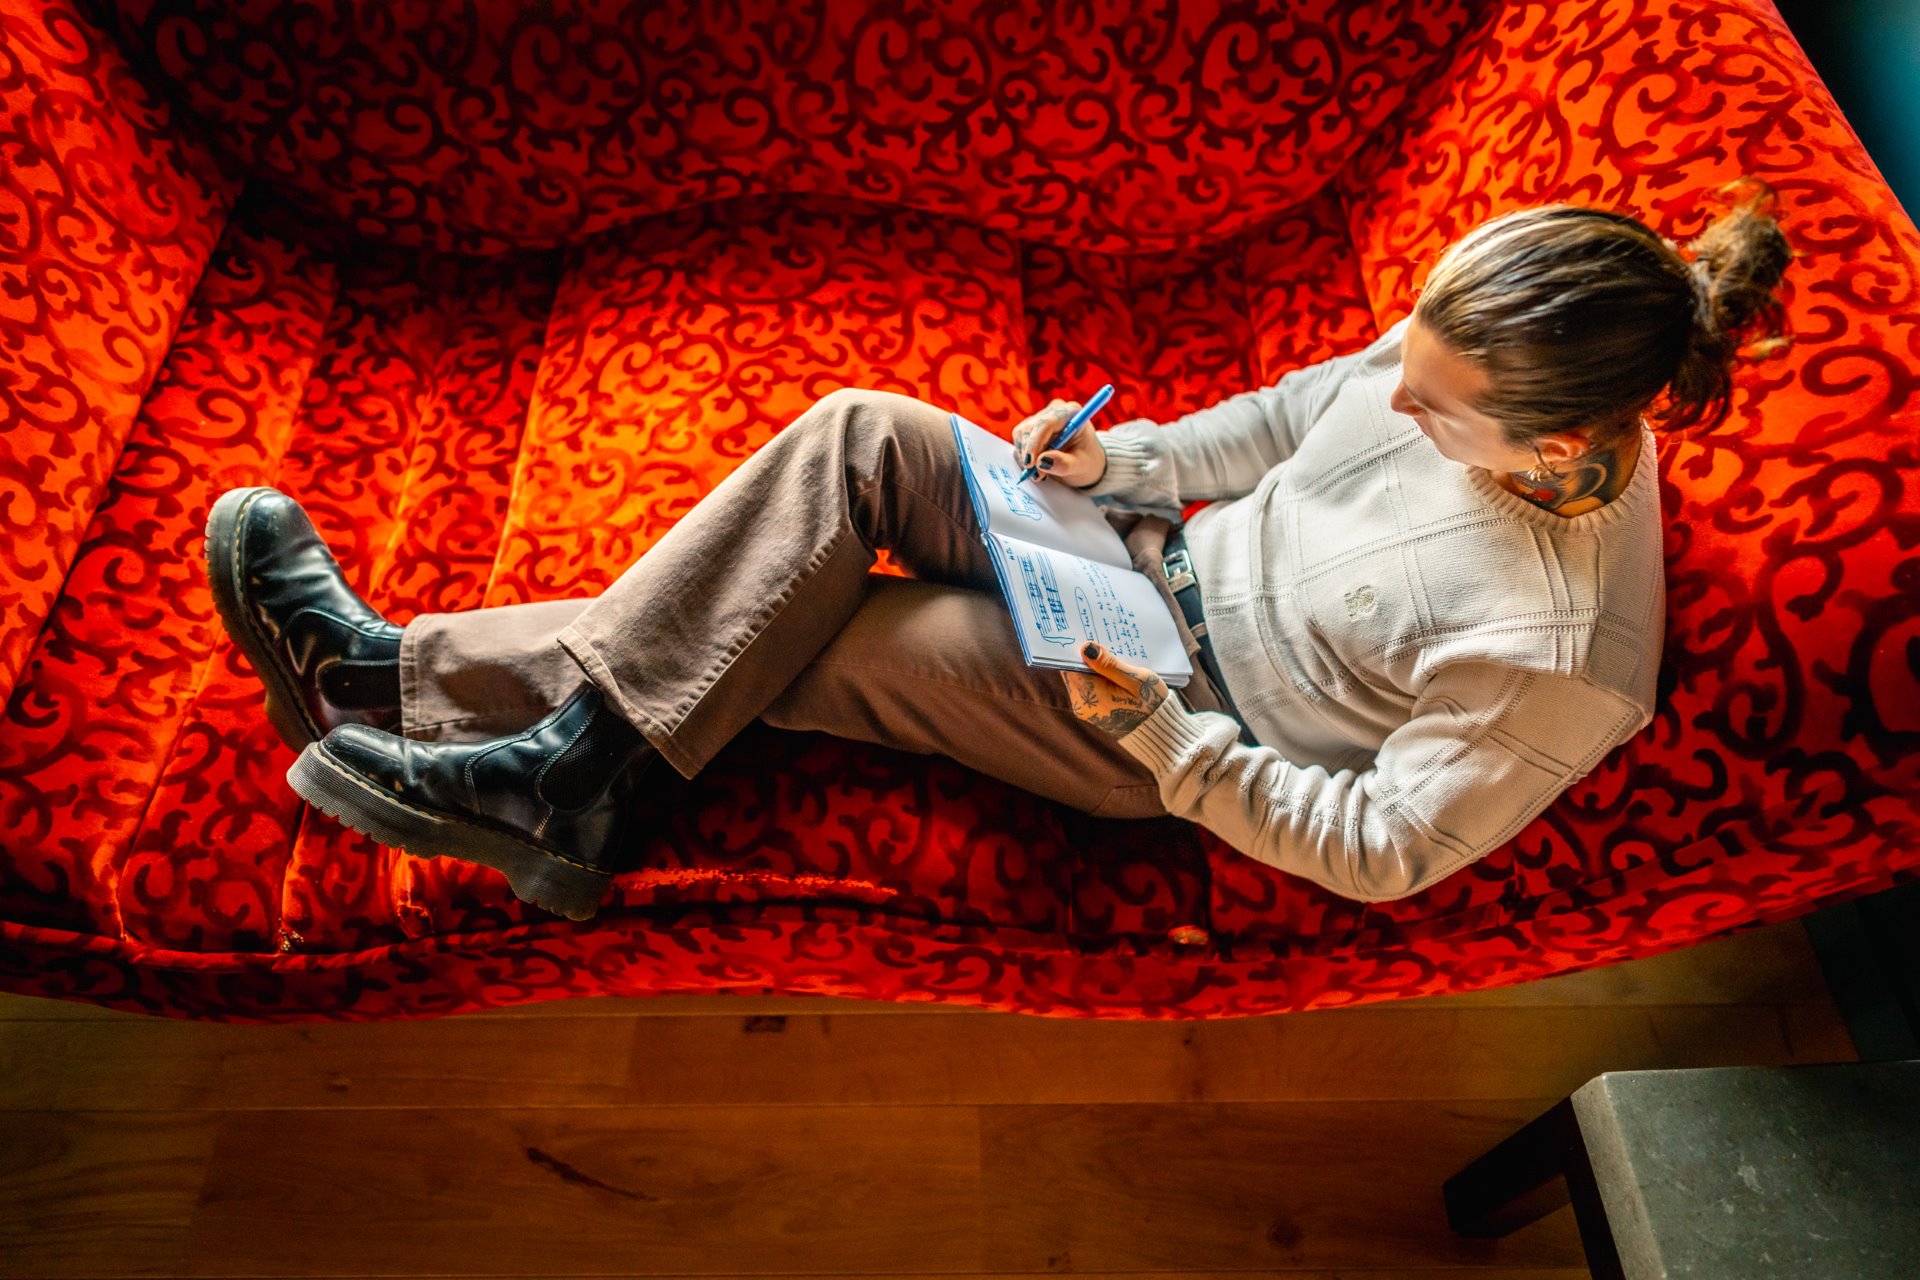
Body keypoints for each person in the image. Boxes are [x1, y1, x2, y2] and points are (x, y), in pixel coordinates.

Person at [205, 178, 1793, 923]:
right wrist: (1127, 461)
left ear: (1558, 449)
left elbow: (1385, 851)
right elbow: (1286, 417)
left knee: (803, 635)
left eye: (1433, 412)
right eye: (1412, 368)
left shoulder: (1562, 653)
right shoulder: (1487, 335)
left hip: (1164, 711)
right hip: (1137, 551)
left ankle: (395, 683)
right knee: (859, 435)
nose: (1396, 402)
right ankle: (555, 772)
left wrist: (1168, 742)